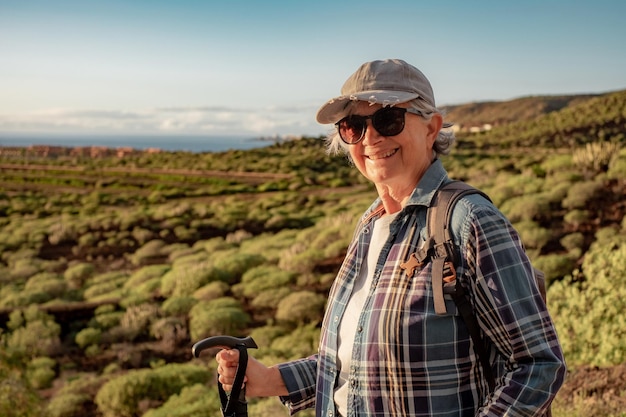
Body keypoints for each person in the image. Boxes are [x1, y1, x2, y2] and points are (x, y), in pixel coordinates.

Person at [216, 58, 566, 416]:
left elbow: (537, 364)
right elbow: (356, 363)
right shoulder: (371, 224)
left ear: (432, 128)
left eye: (387, 119)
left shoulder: (470, 221)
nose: (371, 138)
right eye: (353, 126)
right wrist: (271, 379)